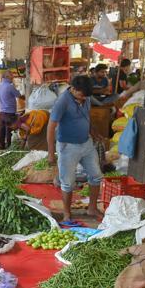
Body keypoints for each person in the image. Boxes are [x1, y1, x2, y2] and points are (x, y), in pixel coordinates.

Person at [47, 76, 103, 222]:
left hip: (86, 143)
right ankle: (67, 213)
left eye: (86, 96)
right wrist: (51, 153)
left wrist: (93, 133)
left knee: (96, 175)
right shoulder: (62, 101)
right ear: (73, 89)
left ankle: (92, 208)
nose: (84, 98)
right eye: (81, 95)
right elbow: (51, 127)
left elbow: (87, 118)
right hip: (67, 147)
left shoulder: (86, 98)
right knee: (67, 182)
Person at [0, 69, 23, 149]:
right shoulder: (10, 86)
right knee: (9, 129)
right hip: (9, 112)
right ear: (8, 77)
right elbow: (18, 94)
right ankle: (9, 146)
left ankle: (1, 146)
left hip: (1, 111)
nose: (12, 79)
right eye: (12, 77)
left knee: (2, 130)